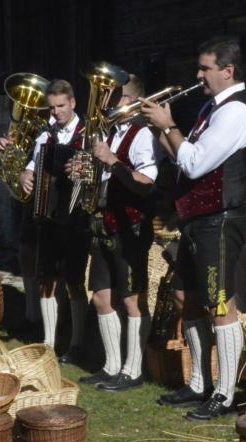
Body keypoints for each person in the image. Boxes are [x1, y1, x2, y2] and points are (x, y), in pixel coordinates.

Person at [141, 36, 246, 420]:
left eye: (205, 68)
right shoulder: (213, 106)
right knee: (182, 297)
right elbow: (183, 154)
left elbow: (193, 164)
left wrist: (170, 123)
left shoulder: (235, 112)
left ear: (228, 71)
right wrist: (162, 131)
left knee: (220, 303)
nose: (198, 74)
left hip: (220, 219)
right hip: (198, 218)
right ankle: (198, 383)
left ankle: (225, 394)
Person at [73, 75, 162, 392]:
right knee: (100, 297)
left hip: (130, 227)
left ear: (134, 102)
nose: (108, 103)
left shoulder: (143, 136)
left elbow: (146, 182)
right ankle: (111, 366)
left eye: (116, 97)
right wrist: (81, 171)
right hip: (102, 222)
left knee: (132, 300)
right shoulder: (106, 134)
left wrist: (112, 161)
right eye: (108, 96)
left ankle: (133, 370)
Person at [10, 80, 92, 364]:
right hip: (48, 215)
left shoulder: (88, 134)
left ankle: (78, 342)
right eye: (52, 107)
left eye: (60, 106)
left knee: (74, 281)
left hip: (77, 217)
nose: (55, 112)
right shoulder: (45, 135)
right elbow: (33, 164)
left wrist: (83, 169)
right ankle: (48, 343)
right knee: (47, 279)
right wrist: (24, 175)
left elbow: (98, 173)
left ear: (72, 103)